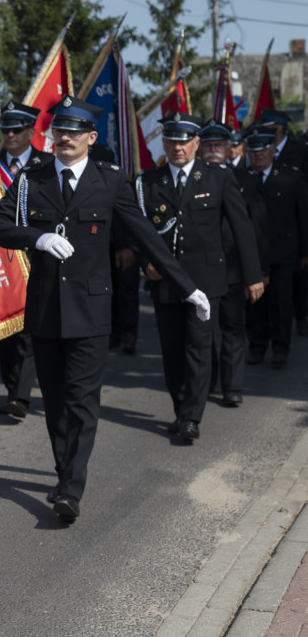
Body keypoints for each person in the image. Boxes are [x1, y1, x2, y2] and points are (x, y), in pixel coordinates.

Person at [0, 96, 208, 523]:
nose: (63, 137)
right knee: (55, 402)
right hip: (46, 309)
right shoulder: (33, 179)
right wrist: (37, 238)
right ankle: (64, 468)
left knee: (82, 399)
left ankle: (70, 487)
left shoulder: (110, 181)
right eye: (58, 130)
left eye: (73, 131)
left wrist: (187, 286)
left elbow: (146, 236)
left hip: (90, 310)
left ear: (91, 137)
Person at [136, 113, 263, 442]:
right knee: (173, 351)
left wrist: (253, 276)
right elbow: (136, 231)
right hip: (165, 281)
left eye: (184, 140)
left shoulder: (217, 178)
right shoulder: (149, 182)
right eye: (172, 140)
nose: (178, 147)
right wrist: (143, 263)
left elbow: (242, 228)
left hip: (206, 281)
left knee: (199, 347)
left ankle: (192, 416)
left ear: (196, 143)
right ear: (163, 142)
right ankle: (181, 409)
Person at [199, 120, 269, 407]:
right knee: (202, 334)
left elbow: (256, 231)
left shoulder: (246, 181)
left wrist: (257, 272)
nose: (214, 150)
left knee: (232, 329)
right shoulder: (193, 179)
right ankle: (206, 382)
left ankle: (232, 386)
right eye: (209, 145)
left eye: (219, 145)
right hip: (201, 270)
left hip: (233, 268)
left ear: (229, 149)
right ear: (200, 148)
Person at [0, 101, 53, 418]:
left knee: (27, 325)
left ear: (32, 131)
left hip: (34, 253)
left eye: (17, 129)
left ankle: (19, 396)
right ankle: (12, 385)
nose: (10, 134)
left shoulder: (48, 164)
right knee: (6, 329)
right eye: (5, 129)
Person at [241, 123, 308, 368]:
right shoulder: (240, 180)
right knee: (254, 305)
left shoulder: (292, 178)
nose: (258, 154)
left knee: (281, 305)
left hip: (283, 254)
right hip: (252, 256)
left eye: (263, 149)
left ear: (272, 150)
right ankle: (257, 347)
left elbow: (303, 217)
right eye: (254, 149)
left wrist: (305, 252)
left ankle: (281, 349)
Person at [260, 109, 308, 336]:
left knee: (297, 281)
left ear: (279, 128)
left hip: (293, 228)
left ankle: (302, 317)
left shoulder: (300, 151)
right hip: (268, 235)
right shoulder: (258, 149)